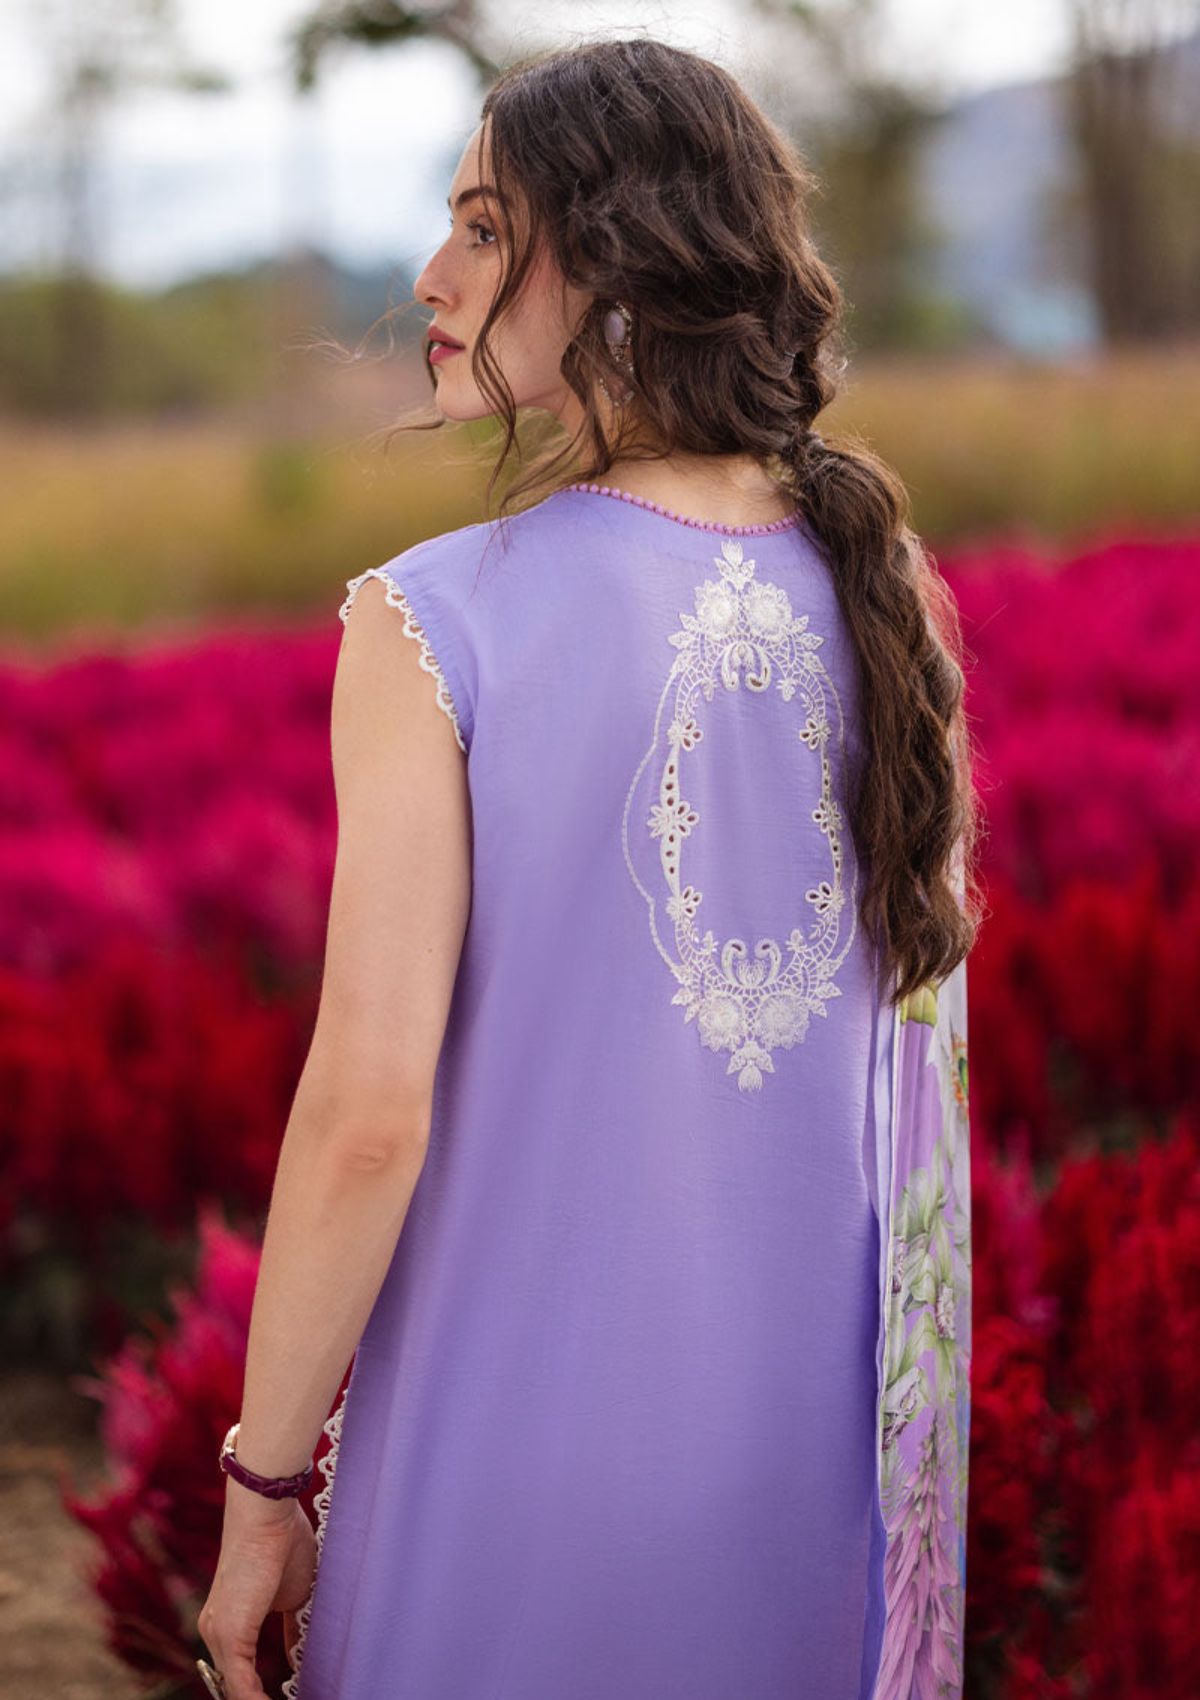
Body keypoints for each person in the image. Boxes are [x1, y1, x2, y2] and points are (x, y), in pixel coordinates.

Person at [196, 36, 981, 1700]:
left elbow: (369, 1115)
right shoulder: (881, 590)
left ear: (620, 256)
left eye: (485, 227)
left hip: (510, 1456)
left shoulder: (435, 618)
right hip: (806, 1477)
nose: (431, 274)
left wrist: (262, 1486)